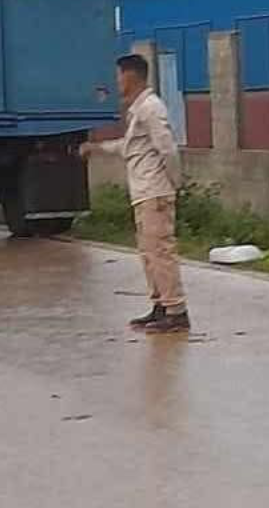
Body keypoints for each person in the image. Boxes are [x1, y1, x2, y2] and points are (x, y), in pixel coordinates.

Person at [79, 53, 189, 334]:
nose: (115, 82)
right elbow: (129, 147)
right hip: (143, 192)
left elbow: (167, 148)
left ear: (130, 76)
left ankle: (176, 312)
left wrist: (174, 184)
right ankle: (161, 306)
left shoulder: (151, 107)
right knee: (148, 253)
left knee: (160, 251)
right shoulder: (138, 110)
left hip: (155, 192)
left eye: (118, 75)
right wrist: (97, 148)